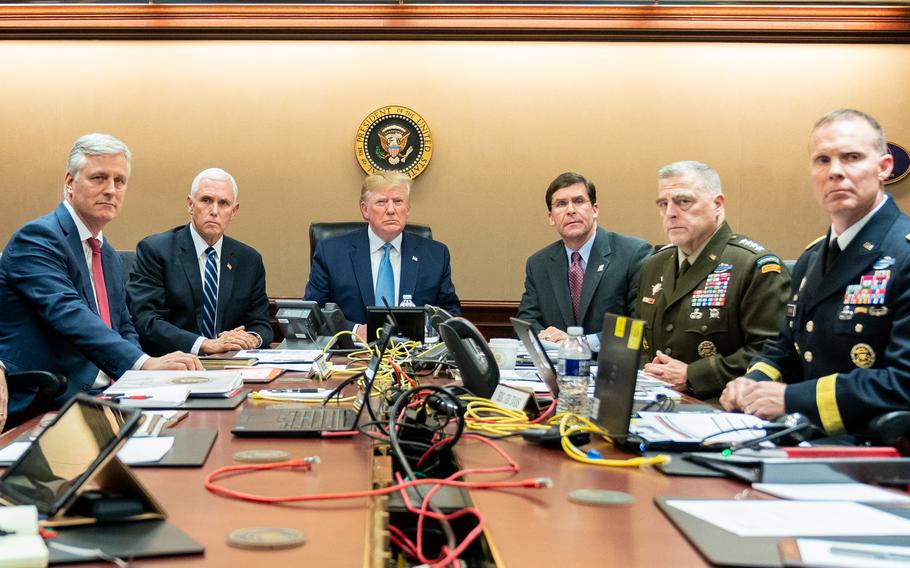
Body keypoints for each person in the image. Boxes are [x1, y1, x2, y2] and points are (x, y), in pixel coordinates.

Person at [720, 109, 910, 435]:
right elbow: (785, 350)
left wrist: (793, 399)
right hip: (802, 438)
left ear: (883, 167)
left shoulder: (903, 252)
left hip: (876, 453)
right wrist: (751, 383)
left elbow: (903, 382)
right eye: (823, 160)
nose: (835, 171)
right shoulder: (811, 259)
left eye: (851, 157)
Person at [0, 133, 201, 418]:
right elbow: (69, 314)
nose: (111, 190)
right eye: (99, 178)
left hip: (111, 395)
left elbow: (123, 325)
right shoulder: (38, 239)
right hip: (53, 402)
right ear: (69, 182)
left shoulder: (107, 252)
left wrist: (140, 379)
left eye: (119, 181)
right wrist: (142, 363)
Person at [635, 161, 790, 402]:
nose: (671, 213)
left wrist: (692, 375)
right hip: (653, 402)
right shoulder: (654, 265)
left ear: (717, 205)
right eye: (663, 204)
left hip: (720, 406)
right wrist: (646, 370)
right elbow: (639, 339)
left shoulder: (753, 266)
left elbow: (772, 351)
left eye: (683, 201)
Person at [128, 168, 272, 356]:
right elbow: (146, 320)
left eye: (223, 203)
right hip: (172, 364)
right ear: (190, 204)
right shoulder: (156, 250)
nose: (214, 211)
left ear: (234, 211)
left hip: (230, 365)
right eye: (206, 200)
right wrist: (204, 344)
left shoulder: (249, 260)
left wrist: (251, 338)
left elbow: (260, 323)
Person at [304, 171, 461, 338]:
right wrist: (355, 331)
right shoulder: (331, 253)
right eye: (382, 202)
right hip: (351, 355)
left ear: (408, 210)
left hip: (414, 356)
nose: (391, 210)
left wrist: (422, 330)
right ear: (365, 210)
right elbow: (314, 312)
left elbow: (449, 313)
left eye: (398, 201)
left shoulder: (435, 255)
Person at [517, 172, 652, 351]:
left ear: (595, 209)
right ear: (551, 217)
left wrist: (579, 344)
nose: (571, 210)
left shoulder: (633, 254)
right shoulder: (539, 264)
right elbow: (528, 320)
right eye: (561, 204)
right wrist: (550, 342)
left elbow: (640, 325)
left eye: (579, 201)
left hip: (611, 367)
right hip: (558, 367)